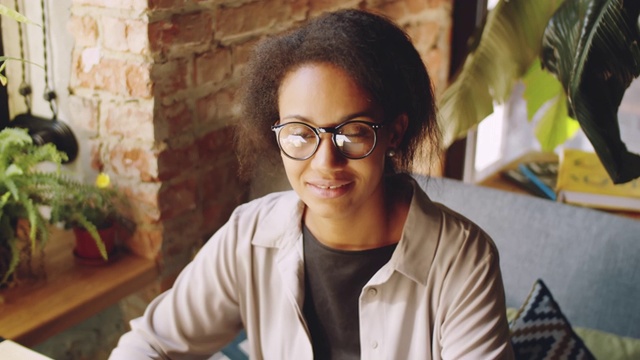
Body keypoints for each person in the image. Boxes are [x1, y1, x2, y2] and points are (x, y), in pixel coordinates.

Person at [110, 8, 514, 360]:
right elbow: (151, 344)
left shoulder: (463, 260)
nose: (325, 162)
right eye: (301, 133)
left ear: (394, 132)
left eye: (353, 131)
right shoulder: (249, 235)